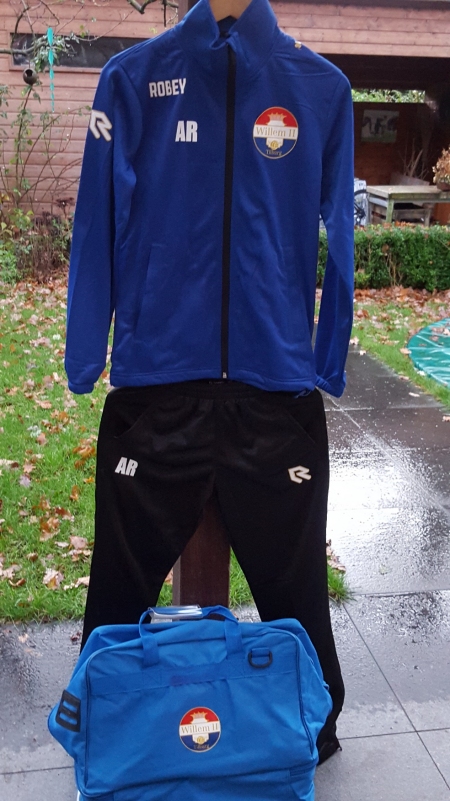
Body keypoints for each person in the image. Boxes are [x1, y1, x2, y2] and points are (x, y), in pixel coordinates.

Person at [65, 0, 354, 764]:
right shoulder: (133, 79)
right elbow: (96, 221)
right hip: (157, 388)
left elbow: (341, 234)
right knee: (117, 594)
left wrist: (324, 355)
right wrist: (86, 349)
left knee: (297, 591)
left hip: (275, 394)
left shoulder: (320, 90)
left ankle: (312, 718)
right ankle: (106, 715)